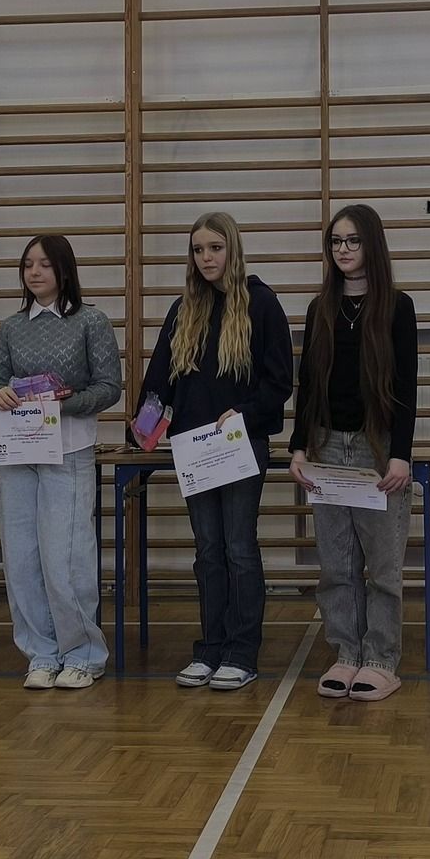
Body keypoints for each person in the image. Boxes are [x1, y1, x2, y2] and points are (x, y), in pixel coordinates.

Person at [137, 211, 292, 692]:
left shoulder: (262, 304)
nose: (206, 258)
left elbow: (279, 383)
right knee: (207, 551)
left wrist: (243, 413)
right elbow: (159, 379)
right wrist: (143, 426)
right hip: (195, 450)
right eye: (198, 250)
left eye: (215, 248)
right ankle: (210, 647)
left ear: (233, 249)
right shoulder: (183, 310)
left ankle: (241, 652)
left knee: (239, 548)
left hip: (241, 445)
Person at [288, 206, 419, 702]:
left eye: (353, 241)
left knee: (382, 566)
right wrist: (299, 446)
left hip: (375, 446)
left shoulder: (397, 307)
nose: (343, 250)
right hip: (326, 445)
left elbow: (406, 386)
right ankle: (346, 652)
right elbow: (307, 384)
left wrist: (400, 454)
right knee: (337, 563)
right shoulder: (320, 308)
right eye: (336, 242)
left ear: (372, 246)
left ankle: (381, 659)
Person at [0, 234, 123, 690]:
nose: (35, 272)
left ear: (64, 269)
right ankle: (41, 653)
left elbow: (109, 387)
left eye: (44, 264)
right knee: (21, 556)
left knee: (66, 555)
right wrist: (0, 394)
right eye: (28, 264)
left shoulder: (90, 322)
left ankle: (83, 654)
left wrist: (64, 403)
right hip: (17, 450)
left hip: (68, 448)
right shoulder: (11, 327)